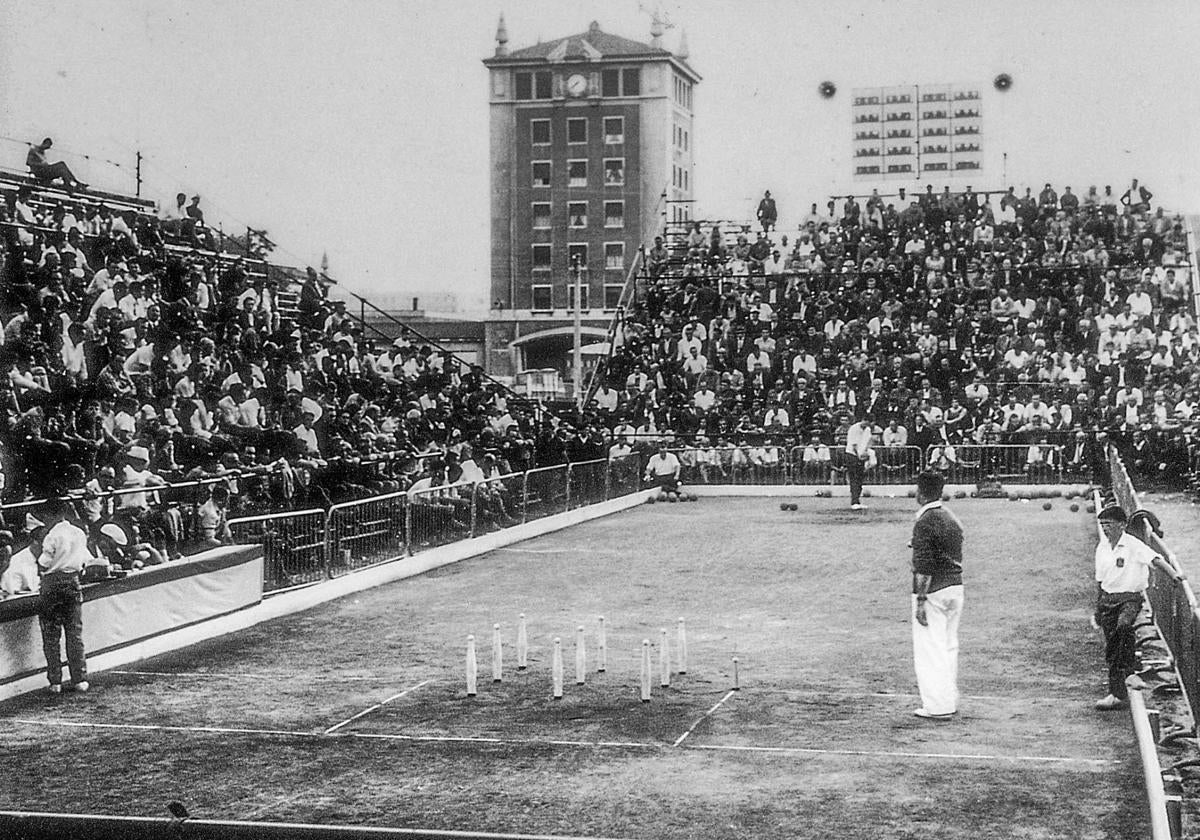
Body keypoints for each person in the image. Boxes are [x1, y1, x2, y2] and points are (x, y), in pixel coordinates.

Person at [1092, 505, 1181, 710]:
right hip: (1108, 599)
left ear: (1122, 525)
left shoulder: (1133, 545)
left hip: (1130, 598)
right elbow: (1100, 580)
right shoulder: (1103, 547)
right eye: (1103, 525)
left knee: (1124, 626)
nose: (1106, 529)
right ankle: (1116, 694)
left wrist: (1174, 575)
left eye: (1110, 525)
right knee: (1113, 647)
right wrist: (1099, 607)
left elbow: (1155, 559)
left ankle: (1130, 672)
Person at [909, 470, 964, 720]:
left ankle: (938, 706)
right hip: (955, 587)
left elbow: (924, 567)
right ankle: (948, 698)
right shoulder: (951, 517)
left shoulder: (923, 522)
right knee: (948, 646)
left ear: (920, 493)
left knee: (931, 649)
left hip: (934, 591)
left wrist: (920, 600)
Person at [37, 499, 93, 694]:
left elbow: (44, 562)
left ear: (51, 515)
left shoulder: (52, 535)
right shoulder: (78, 533)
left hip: (52, 584)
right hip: (73, 581)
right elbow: (85, 560)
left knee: (51, 635)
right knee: (74, 633)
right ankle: (79, 678)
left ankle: (55, 682)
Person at [844, 417, 872, 510]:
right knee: (854, 478)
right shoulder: (854, 428)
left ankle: (857, 501)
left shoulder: (868, 430)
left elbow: (867, 444)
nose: (866, 425)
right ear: (862, 420)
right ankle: (854, 501)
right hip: (852, 455)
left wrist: (865, 455)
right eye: (865, 422)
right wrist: (859, 456)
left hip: (861, 456)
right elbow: (854, 445)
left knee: (860, 478)